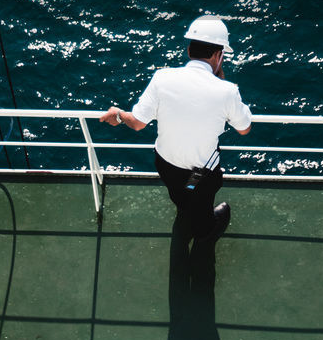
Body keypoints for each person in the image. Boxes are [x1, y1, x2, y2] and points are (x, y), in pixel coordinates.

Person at [102, 15, 253, 241]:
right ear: (218, 55)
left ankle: (184, 206)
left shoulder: (162, 78)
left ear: (189, 50)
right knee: (201, 202)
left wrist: (118, 114)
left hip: (166, 164)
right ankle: (204, 231)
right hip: (198, 173)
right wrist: (222, 83)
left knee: (180, 195)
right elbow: (244, 129)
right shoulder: (227, 91)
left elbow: (137, 123)